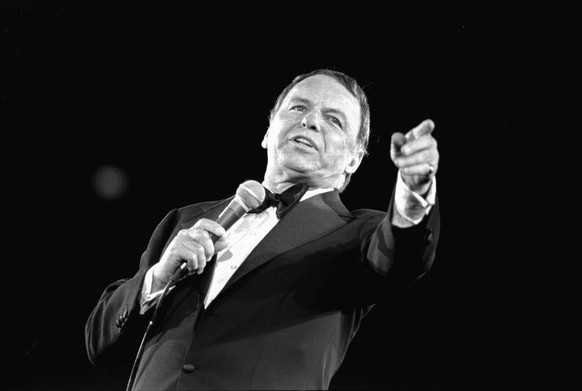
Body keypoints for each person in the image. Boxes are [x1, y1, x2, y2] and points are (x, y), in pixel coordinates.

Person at [85, 68, 441, 390]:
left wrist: (413, 191)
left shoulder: (358, 234)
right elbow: (100, 345)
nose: (311, 122)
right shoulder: (185, 220)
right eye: (299, 108)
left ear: (354, 159)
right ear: (268, 132)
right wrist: (157, 280)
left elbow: (401, 254)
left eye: (334, 120)